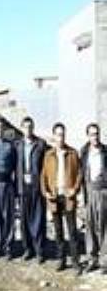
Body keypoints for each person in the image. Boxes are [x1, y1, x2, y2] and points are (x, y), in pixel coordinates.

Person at [41, 123, 82, 274]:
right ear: (54, 136)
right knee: (58, 231)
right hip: (54, 197)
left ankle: (76, 261)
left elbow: (79, 174)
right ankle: (61, 260)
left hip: (68, 197)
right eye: (58, 135)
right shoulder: (48, 155)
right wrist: (45, 192)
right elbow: (43, 176)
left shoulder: (72, 153)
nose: (61, 138)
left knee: (72, 231)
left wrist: (74, 190)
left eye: (63, 134)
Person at [15, 117, 47, 263]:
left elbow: (45, 166)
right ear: (22, 128)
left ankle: (39, 250)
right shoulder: (18, 145)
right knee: (24, 220)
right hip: (23, 187)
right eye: (25, 127)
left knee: (38, 219)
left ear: (33, 128)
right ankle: (27, 249)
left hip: (37, 186)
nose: (28, 129)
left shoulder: (40, 144)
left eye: (30, 126)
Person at [80, 123, 107, 274]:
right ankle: (92, 259)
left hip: (103, 191)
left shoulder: (105, 151)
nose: (94, 137)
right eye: (91, 134)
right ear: (88, 136)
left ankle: (104, 261)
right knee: (90, 227)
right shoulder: (84, 152)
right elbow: (82, 174)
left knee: (103, 226)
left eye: (96, 134)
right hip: (89, 192)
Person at [0, 118, 17, 260]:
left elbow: (15, 167)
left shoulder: (10, 146)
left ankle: (8, 246)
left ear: (4, 130)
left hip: (7, 185)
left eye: (1, 127)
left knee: (8, 216)